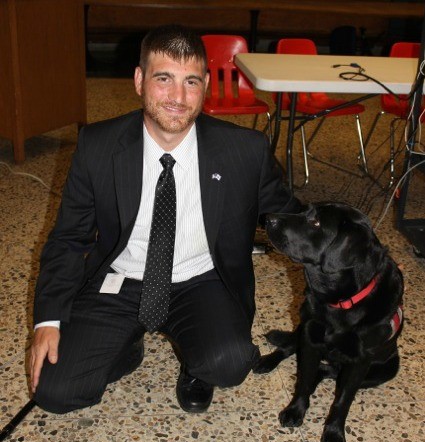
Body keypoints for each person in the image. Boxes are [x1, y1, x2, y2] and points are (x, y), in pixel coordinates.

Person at [30, 24, 301, 414]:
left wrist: (354, 253)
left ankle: (195, 365)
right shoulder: (98, 146)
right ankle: (125, 346)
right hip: (119, 279)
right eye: (164, 78)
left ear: (206, 84)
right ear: (139, 80)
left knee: (229, 363)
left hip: (201, 280)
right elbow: (69, 238)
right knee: (54, 392)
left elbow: (290, 215)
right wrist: (48, 322)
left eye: (191, 81)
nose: (178, 97)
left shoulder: (245, 151)